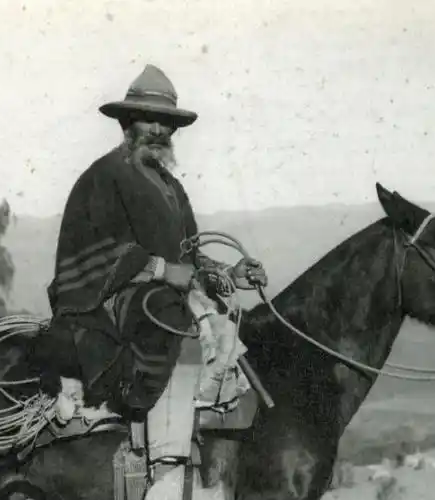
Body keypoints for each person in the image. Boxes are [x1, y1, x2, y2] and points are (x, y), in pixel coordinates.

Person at [41, 64, 268, 431]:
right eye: (149, 120)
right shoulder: (103, 176)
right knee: (167, 318)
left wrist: (228, 274)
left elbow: (189, 257)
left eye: (166, 123)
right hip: (107, 303)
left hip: (166, 296)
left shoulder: (171, 187)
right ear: (127, 123)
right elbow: (91, 252)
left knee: (226, 327)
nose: (159, 130)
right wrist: (160, 271)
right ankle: (136, 431)